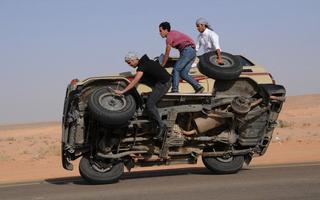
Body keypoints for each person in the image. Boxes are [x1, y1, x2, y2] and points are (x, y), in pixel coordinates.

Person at [114, 52, 171, 140]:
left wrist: (123, 91)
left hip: (163, 84)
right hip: (159, 83)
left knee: (150, 104)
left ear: (134, 59)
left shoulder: (142, 66)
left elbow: (135, 80)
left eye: (129, 62)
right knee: (140, 80)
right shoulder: (145, 62)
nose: (129, 65)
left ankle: (162, 126)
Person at [159, 21, 204, 93]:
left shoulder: (169, 36)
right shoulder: (173, 33)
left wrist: (163, 65)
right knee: (183, 74)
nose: (160, 33)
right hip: (192, 52)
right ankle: (198, 87)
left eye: (161, 31)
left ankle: (175, 90)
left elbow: (167, 52)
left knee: (176, 69)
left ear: (166, 30)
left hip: (187, 51)